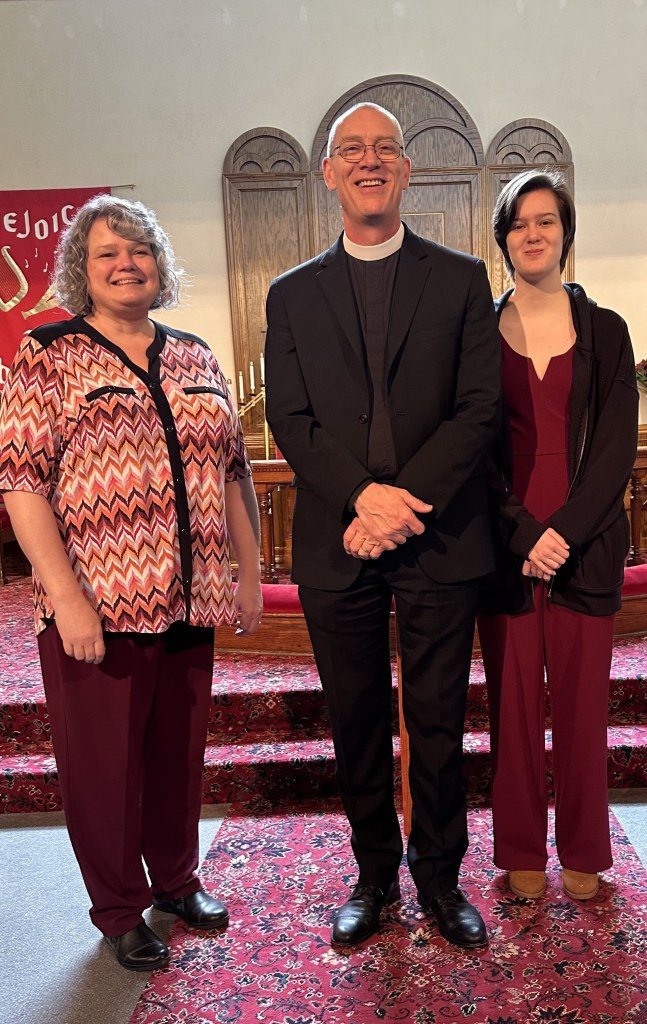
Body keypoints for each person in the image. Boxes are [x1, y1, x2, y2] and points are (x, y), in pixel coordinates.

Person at [0, 195, 263, 971]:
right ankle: (117, 908)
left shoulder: (196, 355)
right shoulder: (48, 354)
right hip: (100, 604)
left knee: (177, 755)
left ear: (159, 264)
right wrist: (66, 599)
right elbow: (21, 484)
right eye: (107, 253)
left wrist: (249, 572)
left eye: (139, 250)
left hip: (191, 598)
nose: (126, 264)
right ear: (81, 269)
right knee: (105, 769)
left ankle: (176, 881)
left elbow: (234, 472)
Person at [264, 103, 501, 950]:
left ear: (405, 169)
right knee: (355, 718)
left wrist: (399, 505)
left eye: (384, 149)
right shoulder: (291, 292)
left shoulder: (461, 278)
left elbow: (478, 408)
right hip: (339, 540)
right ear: (328, 172)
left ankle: (439, 878)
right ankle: (372, 878)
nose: (369, 161)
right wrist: (363, 497)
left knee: (437, 722)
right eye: (351, 150)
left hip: (439, 535)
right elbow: (290, 418)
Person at [478, 169, 638, 902]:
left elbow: (613, 449)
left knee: (580, 709)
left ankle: (583, 847)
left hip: (585, 538)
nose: (533, 234)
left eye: (546, 221)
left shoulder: (605, 331)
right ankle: (517, 846)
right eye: (519, 223)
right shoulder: (475, 334)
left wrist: (562, 535)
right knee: (511, 708)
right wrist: (523, 535)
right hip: (505, 540)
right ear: (503, 238)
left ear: (566, 233)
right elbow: (472, 452)